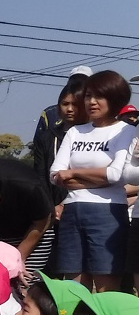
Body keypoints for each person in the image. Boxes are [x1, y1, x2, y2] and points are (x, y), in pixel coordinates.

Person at [50, 69, 137, 292]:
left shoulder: (126, 131)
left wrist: (73, 173)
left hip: (108, 213)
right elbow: (56, 174)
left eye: (99, 96)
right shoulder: (75, 132)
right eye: (88, 96)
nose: (92, 102)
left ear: (115, 99)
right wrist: (89, 177)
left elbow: (117, 174)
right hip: (72, 211)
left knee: (106, 287)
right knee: (73, 286)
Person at [32, 73, 90, 209]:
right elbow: (40, 174)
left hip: (87, 203)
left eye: (75, 104)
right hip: (54, 207)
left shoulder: (96, 133)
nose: (69, 109)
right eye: (65, 104)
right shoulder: (47, 136)